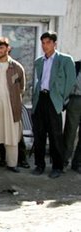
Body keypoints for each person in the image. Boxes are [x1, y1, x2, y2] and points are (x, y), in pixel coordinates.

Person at [31, 31, 76, 178]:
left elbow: (70, 82)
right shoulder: (39, 61)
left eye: (48, 42)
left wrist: (62, 99)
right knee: (39, 134)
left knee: (56, 135)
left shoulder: (65, 60)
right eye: (43, 43)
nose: (45, 46)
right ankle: (39, 165)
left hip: (54, 100)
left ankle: (57, 166)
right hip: (41, 99)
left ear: (55, 44)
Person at [0, 37, 26, 173]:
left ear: (8, 49)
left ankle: (12, 163)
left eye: (1, 48)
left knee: (11, 135)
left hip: (11, 106)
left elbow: (22, 88)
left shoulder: (17, 67)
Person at [63, 60, 81, 173]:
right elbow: (67, 83)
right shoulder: (76, 65)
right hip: (75, 100)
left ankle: (77, 163)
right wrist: (65, 101)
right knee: (70, 132)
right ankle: (64, 162)